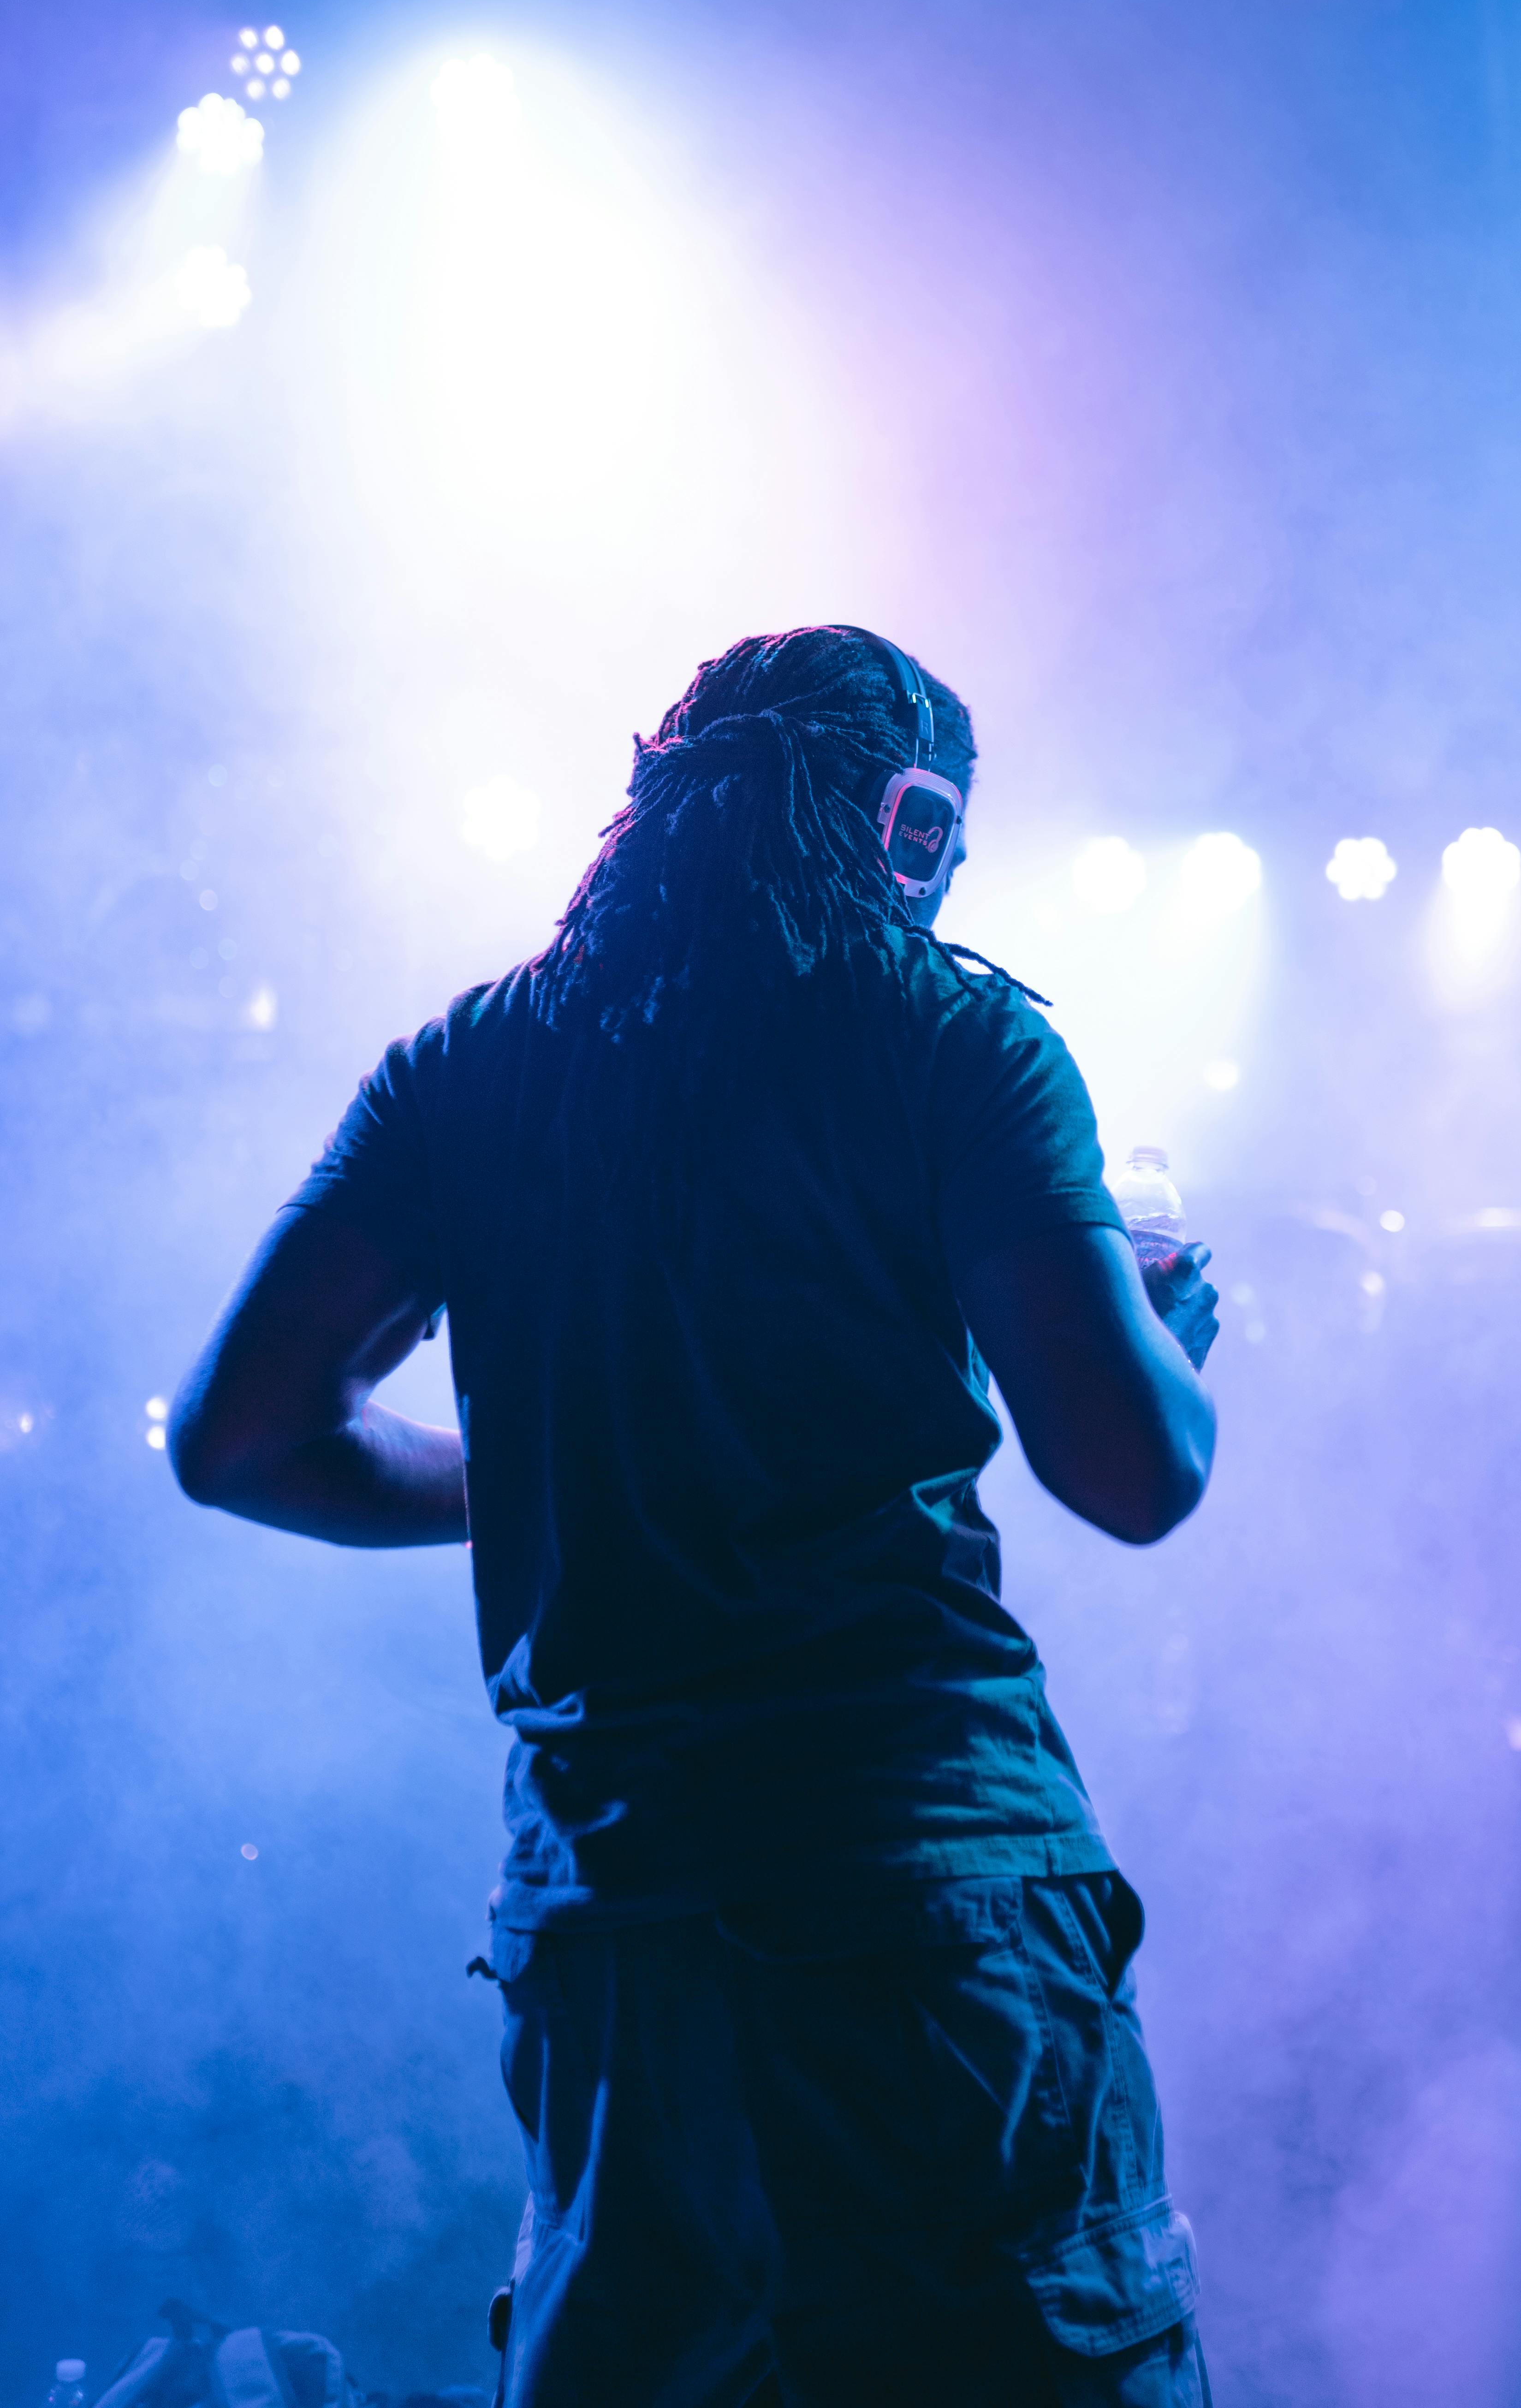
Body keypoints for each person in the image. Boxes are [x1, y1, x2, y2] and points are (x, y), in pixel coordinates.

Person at [167, 625, 1220, 2408]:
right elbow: (1132, 1472)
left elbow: (240, 1439)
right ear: (908, 819)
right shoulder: (957, 1037)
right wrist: (1166, 1337)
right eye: (948, 847)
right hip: (927, 1897)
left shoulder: (472, 1064)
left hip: (613, 1922)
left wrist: (580, 1467)